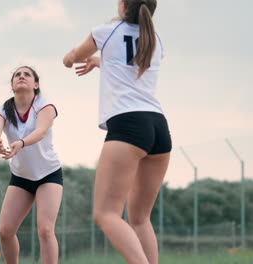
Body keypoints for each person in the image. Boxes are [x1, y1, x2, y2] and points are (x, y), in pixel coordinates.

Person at [63, 1, 171, 264]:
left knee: (106, 214)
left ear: (123, 5)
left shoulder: (105, 31)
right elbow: (129, 63)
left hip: (128, 125)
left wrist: (71, 58)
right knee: (140, 219)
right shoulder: (155, 39)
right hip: (158, 126)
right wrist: (102, 62)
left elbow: (73, 57)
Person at [0, 66, 63, 264]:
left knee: (46, 230)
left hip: (49, 174)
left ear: (36, 85)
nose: (21, 76)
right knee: (5, 232)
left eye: (27, 74)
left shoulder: (44, 105)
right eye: (17, 75)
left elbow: (41, 132)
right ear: (12, 85)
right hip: (21, 177)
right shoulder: (4, 109)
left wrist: (21, 143)